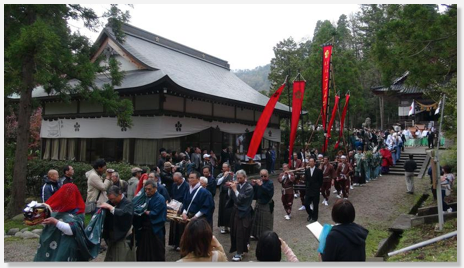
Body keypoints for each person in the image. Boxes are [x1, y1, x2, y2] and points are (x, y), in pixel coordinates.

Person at [34, 184, 101, 261]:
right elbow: (48, 223)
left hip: (66, 247)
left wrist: (55, 222)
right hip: (52, 244)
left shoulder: (78, 211)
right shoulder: (58, 207)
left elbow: (72, 230)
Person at [133, 180, 166, 261]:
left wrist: (144, 211)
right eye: (146, 189)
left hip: (155, 227)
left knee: (156, 251)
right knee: (142, 250)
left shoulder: (160, 198)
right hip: (144, 227)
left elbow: (155, 212)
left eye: (149, 189)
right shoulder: (144, 197)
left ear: (155, 188)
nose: (147, 191)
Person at [100, 186, 135, 261]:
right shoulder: (110, 202)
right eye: (110, 199)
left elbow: (125, 215)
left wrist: (111, 208)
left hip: (123, 239)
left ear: (119, 194)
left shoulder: (128, 204)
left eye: (113, 199)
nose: (112, 201)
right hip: (112, 239)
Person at [228, 169, 254, 261]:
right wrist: (230, 188)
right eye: (237, 178)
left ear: (245, 177)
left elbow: (242, 200)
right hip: (235, 211)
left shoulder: (249, 187)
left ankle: (240, 252)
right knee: (234, 231)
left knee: (241, 232)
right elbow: (232, 197)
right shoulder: (238, 185)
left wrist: (235, 189)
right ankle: (238, 249)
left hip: (244, 212)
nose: (238, 180)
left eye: (240, 178)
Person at [251, 169, 274, 240]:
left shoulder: (270, 183)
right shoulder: (260, 182)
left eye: (265, 176)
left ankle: (266, 236)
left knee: (266, 221)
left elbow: (269, 193)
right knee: (257, 220)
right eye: (262, 176)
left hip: (266, 204)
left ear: (268, 175)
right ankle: (256, 235)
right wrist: (254, 185)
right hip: (259, 203)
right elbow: (256, 193)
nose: (263, 177)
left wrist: (261, 186)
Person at [168, 172, 189, 251]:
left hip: (182, 208)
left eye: (177, 181)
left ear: (181, 178)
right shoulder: (174, 185)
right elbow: (172, 195)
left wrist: (181, 207)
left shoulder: (186, 186)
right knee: (174, 226)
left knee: (181, 227)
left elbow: (186, 198)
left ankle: (181, 243)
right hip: (174, 207)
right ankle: (175, 243)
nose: (175, 182)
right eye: (174, 181)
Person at [216, 163, 235, 234]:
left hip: (230, 194)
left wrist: (231, 183)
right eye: (223, 167)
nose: (224, 169)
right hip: (223, 195)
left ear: (228, 168)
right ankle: (224, 227)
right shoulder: (220, 175)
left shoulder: (233, 174)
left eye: (225, 167)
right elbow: (217, 183)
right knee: (223, 210)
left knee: (230, 210)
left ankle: (231, 226)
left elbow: (236, 182)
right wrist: (224, 176)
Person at [304, 158, 323, 223]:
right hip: (309, 190)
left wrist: (318, 187)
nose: (311, 162)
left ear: (314, 162)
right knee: (306, 203)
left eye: (312, 161)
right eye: (309, 161)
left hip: (315, 190)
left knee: (315, 205)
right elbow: (306, 180)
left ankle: (315, 217)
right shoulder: (307, 170)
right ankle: (310, 213)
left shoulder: (319, 171)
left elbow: (321, 181)